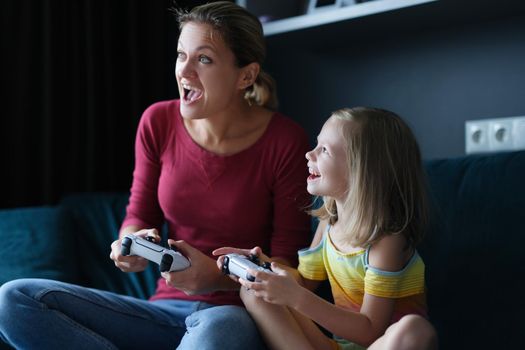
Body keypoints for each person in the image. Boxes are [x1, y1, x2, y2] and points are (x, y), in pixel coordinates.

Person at [0, 2, 311, 349]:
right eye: (181, 55)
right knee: (14, 300)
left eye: (204, 59)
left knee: (217, 332)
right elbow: (139, 214)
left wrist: (218, 278)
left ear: (246, 76)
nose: (185, 71)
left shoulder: (285, 141)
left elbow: (290, 268)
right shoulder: (157, 122)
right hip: (161, 312)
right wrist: (130, 244)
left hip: (233, 315)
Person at [214, 107, 439, 350]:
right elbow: (303, 284)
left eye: (324, 150)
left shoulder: (386, 242)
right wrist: (264, 268)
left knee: (415, 330)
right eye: (316, 145)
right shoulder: (328, 224)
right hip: (336, 347)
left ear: (361, 170)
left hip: (380, 345)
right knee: (254, 292)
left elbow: (369, 331)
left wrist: (295, 297)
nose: (309, 154)